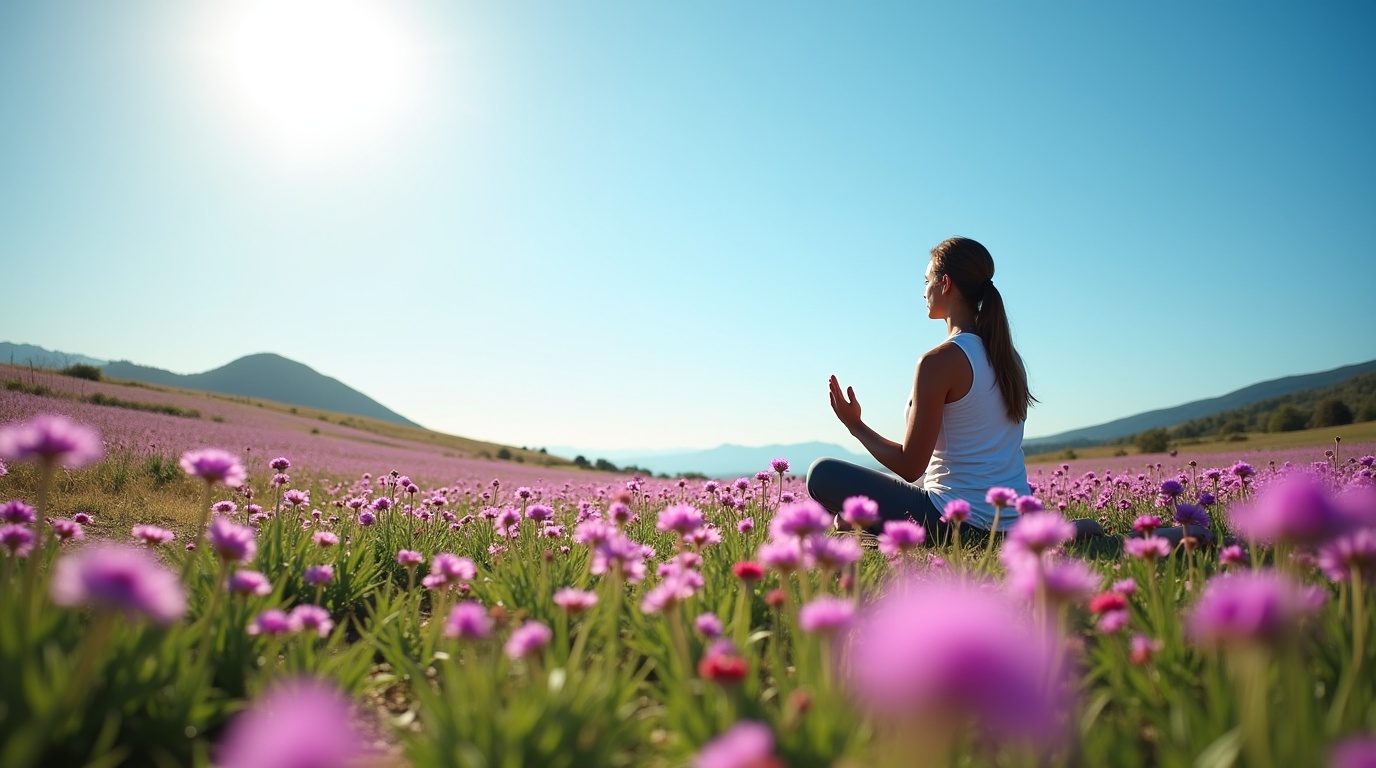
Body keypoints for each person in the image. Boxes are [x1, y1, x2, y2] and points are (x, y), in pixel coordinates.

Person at [806, 236, 1056, 545]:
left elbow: (910, 466)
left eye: (927, 282)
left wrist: (855, 425)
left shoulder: (939, 361)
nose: (924, 291)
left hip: (954, 522)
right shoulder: (1008, 358)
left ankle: (861, 529)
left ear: (945, 283)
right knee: (887, 486)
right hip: (1013, 520)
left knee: (821, 474)